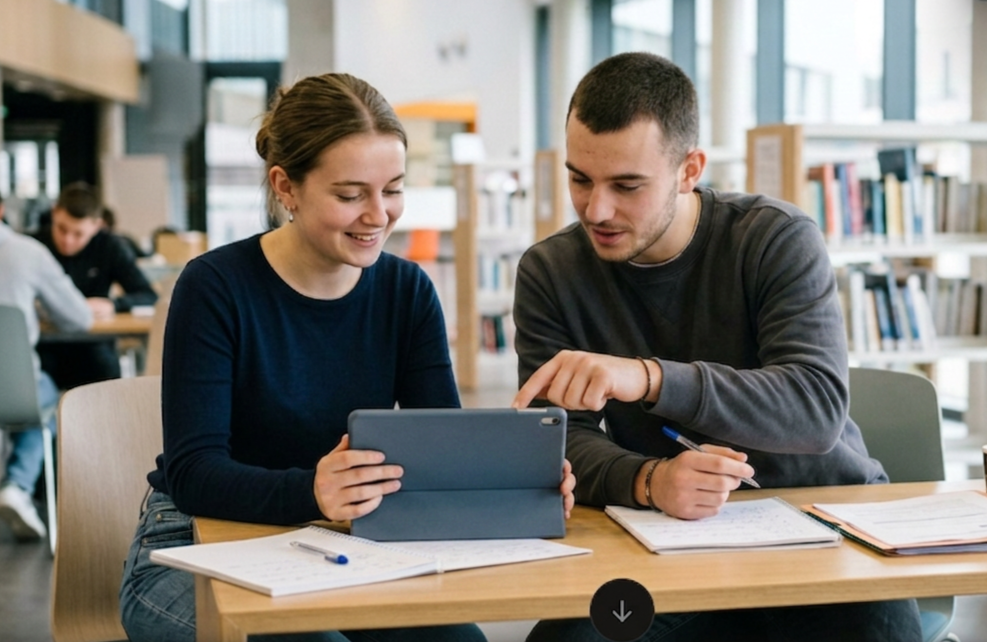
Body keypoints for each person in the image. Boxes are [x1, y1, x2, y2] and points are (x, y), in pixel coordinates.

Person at [118, 72, 575, 642]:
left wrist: (512, 481)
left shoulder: (407, 291)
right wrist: (311, 491)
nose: (379, 214)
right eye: (350, 194)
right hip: (194, 542)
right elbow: (193, 473)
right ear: (285, 186)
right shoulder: (214, 287)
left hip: (343, 542)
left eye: (393, 189)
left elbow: (442, 446)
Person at [512, 53, 921, 641]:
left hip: (818, 528)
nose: (596, 209)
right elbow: (555, 436)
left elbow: (815, 409)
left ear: (689, 169)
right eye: (580, 179)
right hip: (665, 544)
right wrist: (649, 479)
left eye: (627, 185)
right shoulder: (551, 272)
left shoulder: (775, 239)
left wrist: (648, 378)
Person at [0, 195, 93, 541]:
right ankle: (18, 485)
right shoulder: (27, 253)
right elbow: (78, 317)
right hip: (12, 390)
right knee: (49, 397)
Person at [33, 182, 158, 389]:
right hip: (44, 343)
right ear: (55, 213)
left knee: (104, 368)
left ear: (96, 225)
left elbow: (148, 295)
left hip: (92, 343)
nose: (68, 240)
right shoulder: (34, 247)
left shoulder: (110, 246)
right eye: (62, 229)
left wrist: (113, 305)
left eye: (78, 234)